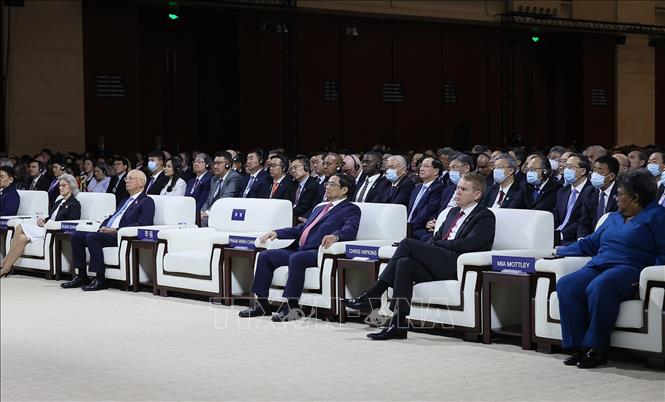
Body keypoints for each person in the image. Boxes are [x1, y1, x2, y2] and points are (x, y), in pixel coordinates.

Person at [344, 173, 495, 340]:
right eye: (458, 187)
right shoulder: (452, 212)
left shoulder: (485, 216)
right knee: (404, 263)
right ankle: (398, 325)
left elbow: (470, 244)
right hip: (438, 261)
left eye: (464, 189)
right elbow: (436, 238)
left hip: (455, 264)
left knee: (406, 243)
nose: (457, 192)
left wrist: (436, 245)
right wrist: (432, 245)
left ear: (477, 195)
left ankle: (374, 293)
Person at [555, 169, 665, 368]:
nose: (616, 198)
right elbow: (590, 244)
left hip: (630, 269)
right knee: (567, 284)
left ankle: (598, 348)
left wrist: (649, 277)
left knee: (599, 286)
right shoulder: (613, 217)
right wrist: (559, 251)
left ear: (635, 198)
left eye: (620, 194)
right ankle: (578, 346)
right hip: (599, 264)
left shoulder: (657, 216)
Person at [239, 173, 360, 322]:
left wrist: (336, 236)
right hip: (299, 249)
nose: (327, 187)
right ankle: (262, 304)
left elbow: (350, 229)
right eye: (327, 183)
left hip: (317, 251)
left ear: (344, 190)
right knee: (265, 256)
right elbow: (302, 228)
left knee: (297, 258)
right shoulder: (320, 207)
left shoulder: (351, 209)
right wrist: (277, 233)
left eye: (332, 184)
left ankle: (292, 307)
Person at [61, 170, 155, 291]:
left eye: (130, 178)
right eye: (126, 178)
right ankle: (81, 276)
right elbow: (114, 216)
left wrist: (115, 230)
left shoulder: (146, 201)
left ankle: (100, 278)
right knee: (76, 236)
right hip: (107, 233)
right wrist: (103, 227)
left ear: (141, 182)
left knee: (92, 237)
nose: (127, 181)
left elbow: (143, 224)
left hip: (120, 235)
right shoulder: (126, 199)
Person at [1, 174, 81, 277]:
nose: (60, 188)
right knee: (21, 237)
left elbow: (70, 223)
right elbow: (52, 216)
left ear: (71, 186)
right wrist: (43, 220)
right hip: (45, 227)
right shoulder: (59, 201)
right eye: (60, 185)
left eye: (64, 185)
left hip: (53, 231)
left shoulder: (74, 204)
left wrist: (50, 224)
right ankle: (7, 265)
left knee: (20, 228)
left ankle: (5, 265)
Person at [553, 153, 594, 245]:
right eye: (566, 166)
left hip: (574, 239)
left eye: (570, 167)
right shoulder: (562, 191)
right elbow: (556, 216)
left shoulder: (592, 192)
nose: (566, 170)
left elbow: (583, 221)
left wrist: (561, 235)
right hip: (556, 236)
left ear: (583, 171)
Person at [577, 156, 619, 238]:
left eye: (599, 172)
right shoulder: (589, 191)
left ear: (611, 176)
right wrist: (582, 239)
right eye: (594, 170)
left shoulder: (621, 193)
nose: (595, 174)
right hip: (590, 238)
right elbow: (584, 222)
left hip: (612, 238)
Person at [200, 151, 242, 226]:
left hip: (225, 213)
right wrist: (201, 212)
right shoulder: (214, 179)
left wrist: (207, 213)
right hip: (212, 213)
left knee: (203, 221)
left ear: (227, 165)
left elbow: (225, 199)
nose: (215, 166)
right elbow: (208, 201)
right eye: (214, 163)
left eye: (218, 163)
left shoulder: (234, 177)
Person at [408, 156, 444, 241]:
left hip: (420, 229)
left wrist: (408, 228)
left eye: (426, 166)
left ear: (436, 171)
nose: (421, 169)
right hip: (408, 227)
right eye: (421, 166)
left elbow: (426, 212)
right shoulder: (417, 188)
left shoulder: (438, 188)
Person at [290, 156, 319, 222]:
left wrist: (286, 212)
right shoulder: (293, 185)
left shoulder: (313, 185)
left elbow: (304, 207)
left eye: (295, 167)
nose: (293, 171)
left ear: (306, 167)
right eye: (291, 169)